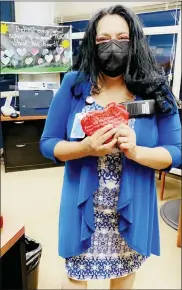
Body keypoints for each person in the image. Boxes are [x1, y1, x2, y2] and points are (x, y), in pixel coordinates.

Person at [40, 5, 181, 290]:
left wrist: (136, 151)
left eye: (122, 38)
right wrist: (85, 148)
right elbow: (47, 144)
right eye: (103, 40)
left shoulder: (154, 88)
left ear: (136, 42)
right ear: (92, 45)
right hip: (83, 207)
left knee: (124, 274)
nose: (112, 46)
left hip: (133, 206)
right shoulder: (74, 86)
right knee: (76, 277)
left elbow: (175, 150)